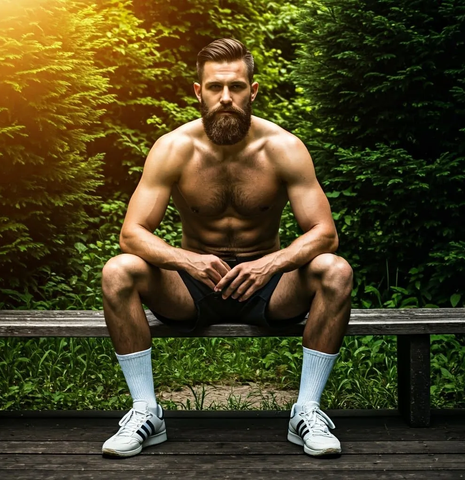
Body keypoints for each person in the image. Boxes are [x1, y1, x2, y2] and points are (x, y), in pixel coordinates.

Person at [101, 38, 353, 459]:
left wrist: (270, 264)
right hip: (193, 286)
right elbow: (132, 234)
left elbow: (324, 233)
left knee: (336, 269)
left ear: (252, 90)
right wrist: (188, 260)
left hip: (269, 287)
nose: (226, 98)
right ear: (198, 92)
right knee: (118, 269)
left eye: (236, 87)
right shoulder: (174, 149)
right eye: (215, 88)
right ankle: (146, 411)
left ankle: (306, 411)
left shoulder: (283, 148)